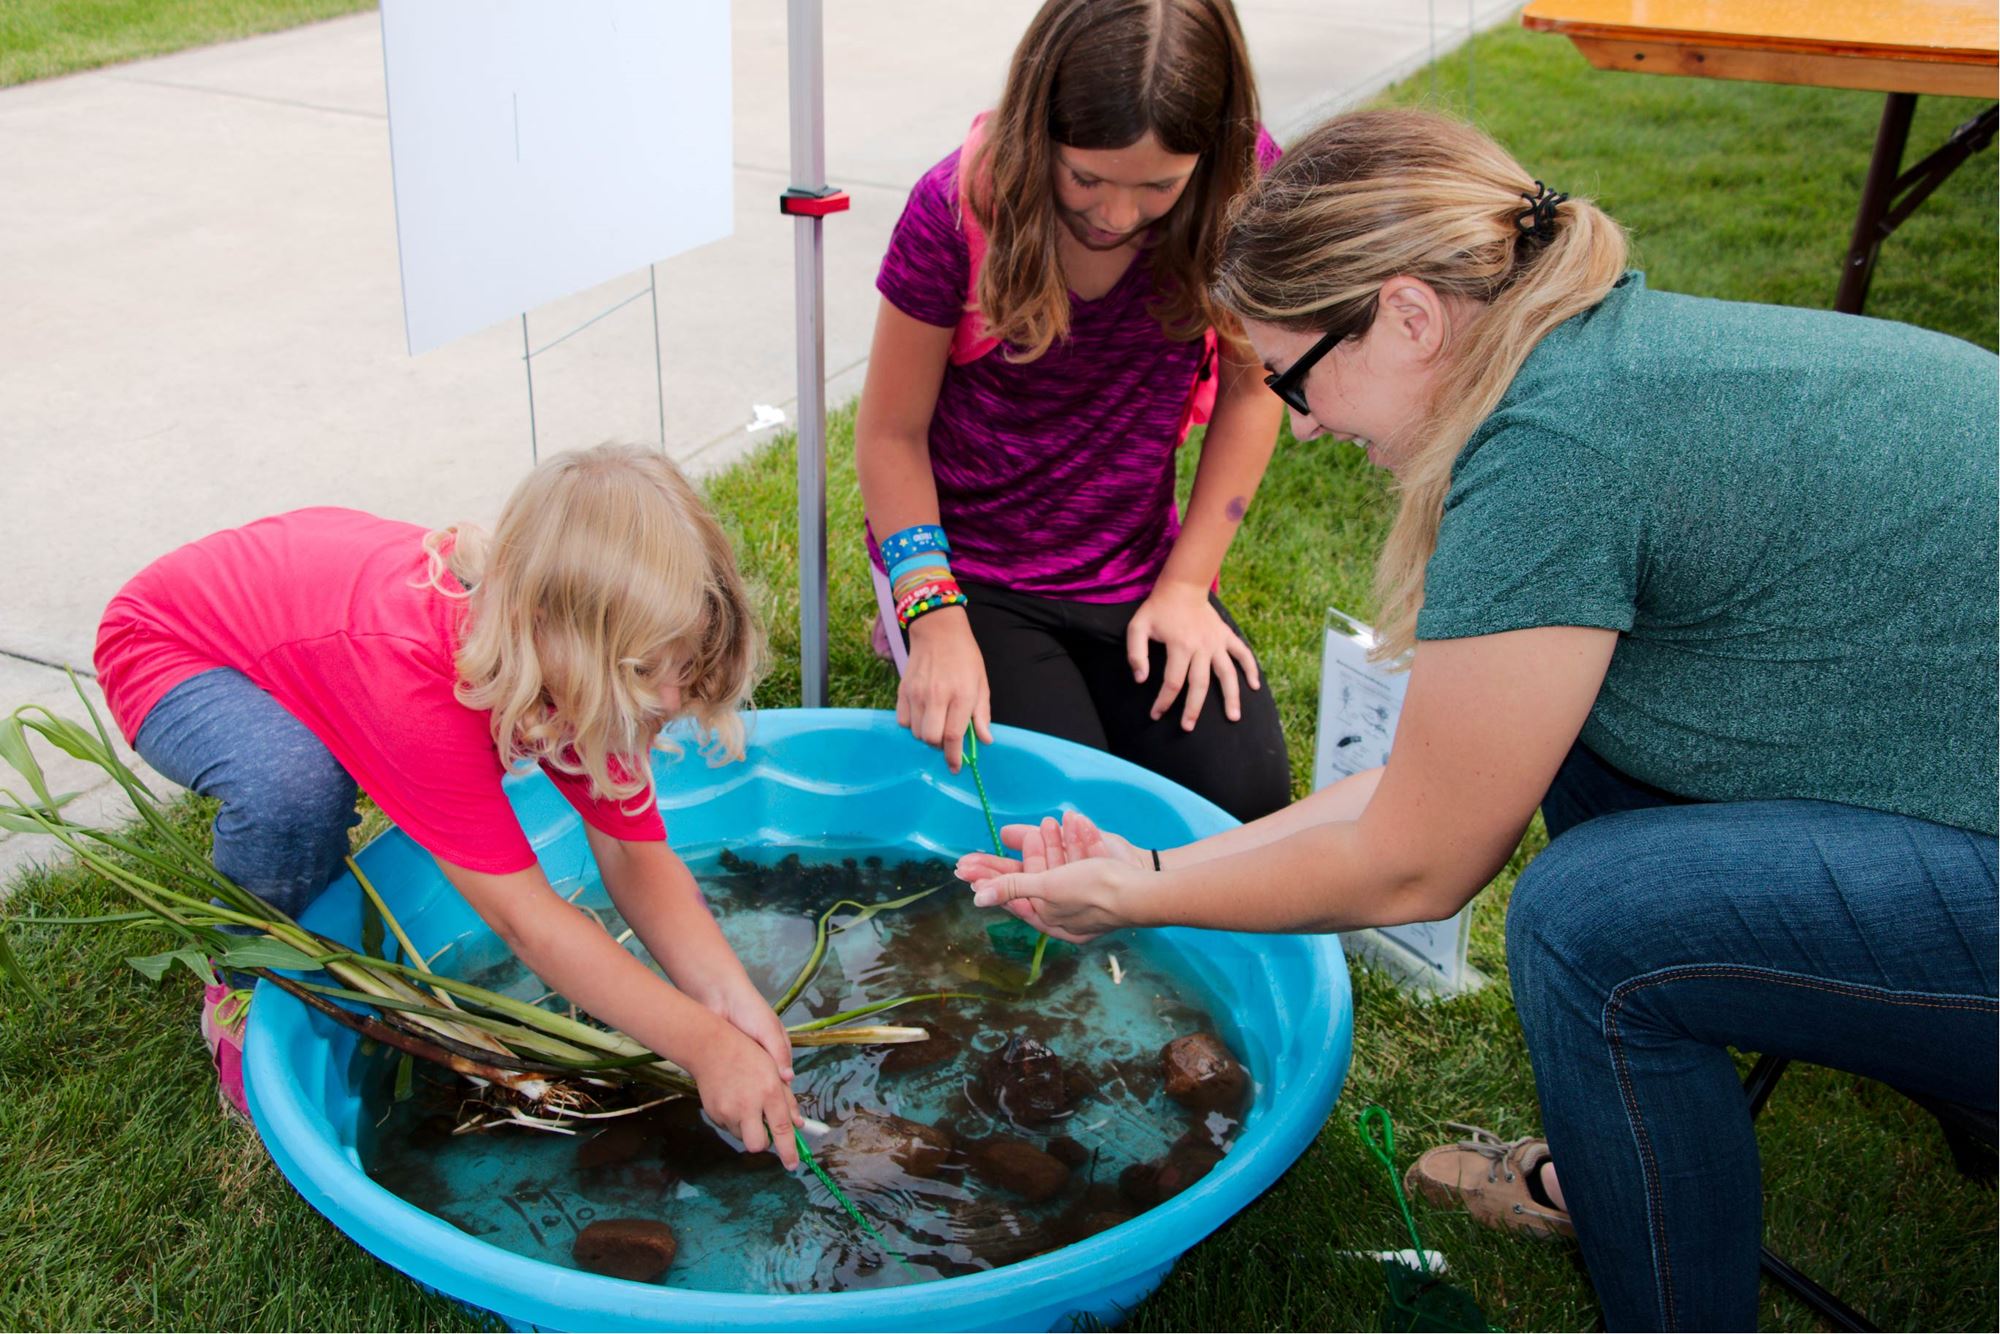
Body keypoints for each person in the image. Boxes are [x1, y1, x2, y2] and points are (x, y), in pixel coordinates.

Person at [958, 108, 1999, 1330]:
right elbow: (1435, 780)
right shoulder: (1594, 351)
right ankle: (1657, 1149)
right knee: (1589, 763)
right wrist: (1147, 865)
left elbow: (1420, 859)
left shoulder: (1551, 452)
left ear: (1405, 314)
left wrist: (1137, 900)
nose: (1297, 423)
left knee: (1587, 931)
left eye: (1292, 376)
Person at [94, 445, 803, 1166]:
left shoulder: (584, 655)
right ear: (550, 631)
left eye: (681, 668)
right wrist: (701, 1047)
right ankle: (247, 984)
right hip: (169, 646)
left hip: (310, 611)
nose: (673, 699)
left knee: (337, 750)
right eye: (649, 672)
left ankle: (324, 707)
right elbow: (522, 921)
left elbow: (631, 855)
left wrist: (728, 1001)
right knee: (294, 786)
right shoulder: (422, 696)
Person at [854, 0, 1292, 821]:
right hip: (972, 572)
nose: (1116, 216)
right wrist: (935, 616)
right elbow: (889, 435)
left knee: (1244, 806)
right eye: (1086, 177)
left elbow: (1249, 385)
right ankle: (905, 631)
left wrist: (1187, 586)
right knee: (1061, 819)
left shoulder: (1246, 183)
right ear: (1037, 126)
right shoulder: (951, 208)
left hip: (1136, 569)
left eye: (1159, 186)